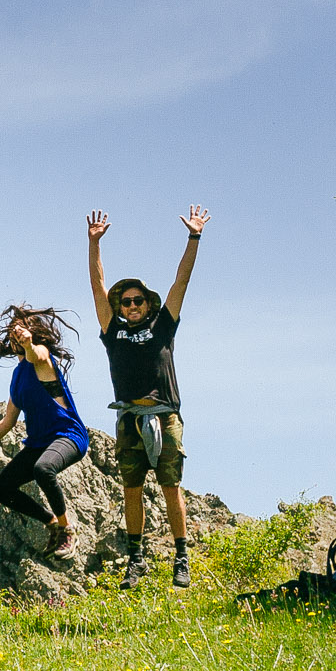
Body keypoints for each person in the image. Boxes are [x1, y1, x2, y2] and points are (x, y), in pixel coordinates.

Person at [88, 207, 209, 589]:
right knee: (132, 490)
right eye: (125, 302)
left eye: (138, 300)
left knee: (171, 487)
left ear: (148, 303)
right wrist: (93, 244)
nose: (132, 306)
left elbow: (182, 282)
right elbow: (97, 285)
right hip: (128, 418)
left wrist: (194, 238)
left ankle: (181, 556)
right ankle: (136, 558)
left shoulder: (164, 326)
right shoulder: (113, 331)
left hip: (166, 417)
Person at [0, 305, 89, 551]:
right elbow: (7, 422)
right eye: (14, 332)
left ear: (32, 334)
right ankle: (51, 522)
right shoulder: (17, 376)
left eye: (22, 331)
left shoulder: (41, 356)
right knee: (2, 488)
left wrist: (29, 345)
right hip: (39, 442)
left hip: (68, 435)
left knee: (44, 468)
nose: (16, 335)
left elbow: (36, 355)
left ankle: (67, 528)